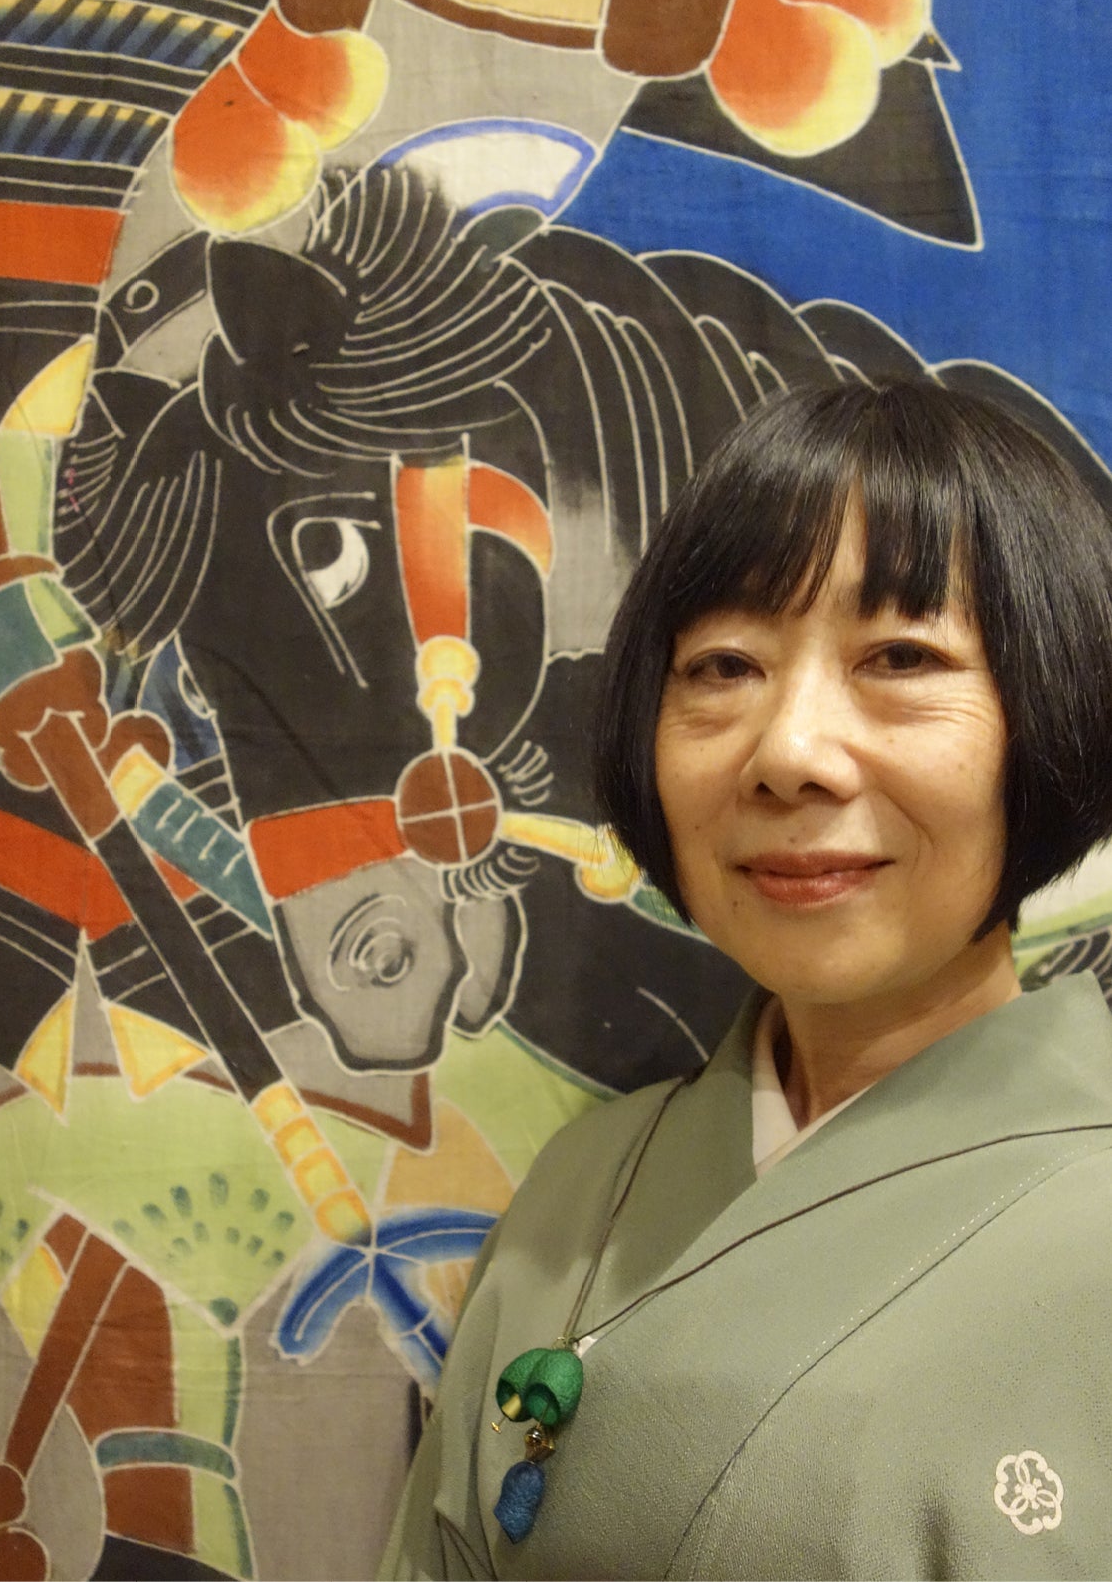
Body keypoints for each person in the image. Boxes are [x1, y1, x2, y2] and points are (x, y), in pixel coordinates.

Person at [379, 378, 1112, 1580]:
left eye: (900, 655)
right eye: (721, 666)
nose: (786, 753)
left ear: (1050, 709)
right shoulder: (581, 1187)